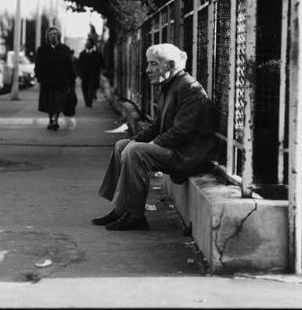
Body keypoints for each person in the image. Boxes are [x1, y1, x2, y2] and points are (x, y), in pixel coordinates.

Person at [92, 43, 216, 230]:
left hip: (188, 155)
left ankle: (136, 216)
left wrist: (148, 144)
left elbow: (182, 131)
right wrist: (135, 140)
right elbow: (158, 126)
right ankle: (120, 209)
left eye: (154, 64)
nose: (147, 70)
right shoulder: (170, 85)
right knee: (122, 145)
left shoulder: (189, 89)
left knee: (135, 151)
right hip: (176, 149)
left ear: (170, 65)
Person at [35, 26, 76, 131]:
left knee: (58, 102)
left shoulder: (65, 49)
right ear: (47, 36)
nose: (53, 35)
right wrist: (39, 77)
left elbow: (69, 66)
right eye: (50, 34)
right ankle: (51, 119)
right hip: (47, 81)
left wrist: (72, 80)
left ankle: (55, 120)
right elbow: (38, 65)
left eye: (55, 33)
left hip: (61, 81)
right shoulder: (42, 49)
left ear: (58, 36)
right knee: (49, 102)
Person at [78, 36, 105, 107]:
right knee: (84, 88)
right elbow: (79, 65)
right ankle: (87, 101)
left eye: (89, 43)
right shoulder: (82, 54)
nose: (87, 44)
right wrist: (79, 74)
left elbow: (102, 63)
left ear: (92, 45)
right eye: (86, 43)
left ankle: (89, 102)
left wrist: (102, 70)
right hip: (84, 75)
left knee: (91, 88)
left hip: (93, 75)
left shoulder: (97, 54)